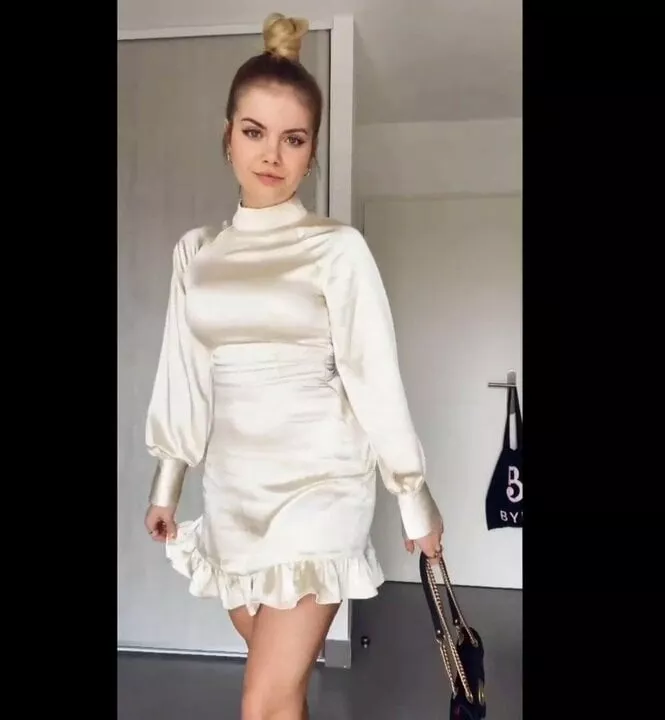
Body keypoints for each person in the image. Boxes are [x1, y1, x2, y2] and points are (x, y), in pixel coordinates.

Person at [141, 13, 444, 720]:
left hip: (321, 488)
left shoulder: (337, 249)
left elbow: (373, 376)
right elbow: (183, 368)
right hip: (233, 494)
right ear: (227, 137)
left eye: (294, 138)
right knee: (282, 692)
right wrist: (168, 483)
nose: (272, 154)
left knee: (263, 699)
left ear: (311, 154)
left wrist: (414, 497)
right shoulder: (197, 253)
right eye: (255, 132)